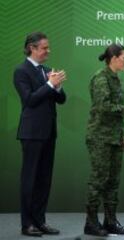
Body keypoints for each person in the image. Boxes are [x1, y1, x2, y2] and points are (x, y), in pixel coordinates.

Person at [13, 32, 66, 237]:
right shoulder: (21, 71)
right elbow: (29, 100)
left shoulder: (46, 71)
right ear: (32, 48)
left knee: (44, 179)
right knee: (30, 179)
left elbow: (61, 100)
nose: (48, 51)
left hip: (49, 132)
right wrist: (50, 85)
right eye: (44, 48)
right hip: (32, 133)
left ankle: (40, 221)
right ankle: (27, 224)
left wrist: (58, 87)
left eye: (48, 47)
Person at [84, 44, 124, 236]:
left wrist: (121, 136)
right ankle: (91, 223)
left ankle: (110, 221)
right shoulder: (100, 78)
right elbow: (104, 107)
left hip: (114, 138)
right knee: (98, 181)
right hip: (100, 138)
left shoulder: (116, 79)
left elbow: (115, 112)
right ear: (114, 58)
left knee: (113, 182)